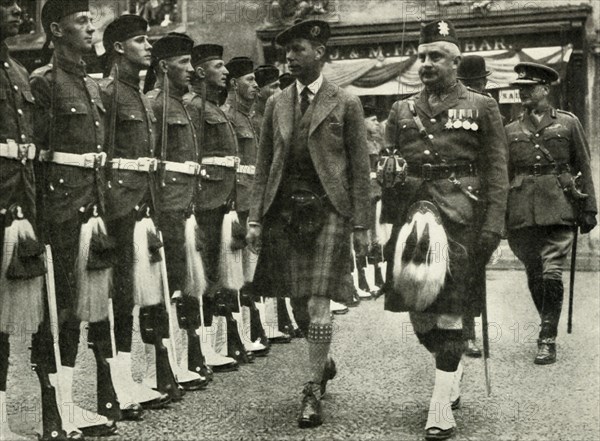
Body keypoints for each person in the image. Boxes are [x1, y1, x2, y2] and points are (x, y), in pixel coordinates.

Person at [381, 20, 508, 440]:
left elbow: (496, 173)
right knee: (419, 314)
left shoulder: (482, 106)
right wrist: (387, 173)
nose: (426, 64)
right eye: (422, 56)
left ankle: (440, 405)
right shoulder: (401, 110)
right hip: (412, 218)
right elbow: (387, 164)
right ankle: (450, 366)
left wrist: (493, 226)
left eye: (436, 56)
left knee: (451, 310)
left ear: (455, 62)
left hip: (460, 217)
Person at [247, 19, 370, 428]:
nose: (290, 57)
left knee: (319, 301)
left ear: (319, 52)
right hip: (285, 211)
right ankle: (324, 360)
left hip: (329, 210)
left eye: (298, 49)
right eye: (287, 51)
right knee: (298, 302)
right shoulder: (275, 103)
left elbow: (359, 169)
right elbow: (263, 165)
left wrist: (362, 225)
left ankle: (312, 389)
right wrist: (254, 219)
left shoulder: (346, 102)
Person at [30, 0, 122, 437]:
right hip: (60, 211)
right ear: (56, 30)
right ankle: (55, 411)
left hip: (91, 205)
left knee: (85, 306)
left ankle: (71, 404)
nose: (91, 28)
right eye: (81, 22)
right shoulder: (44, 84)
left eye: (90, 20)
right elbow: (38, 158)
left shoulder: (89, 84)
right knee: (59, 309)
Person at [98, 14, 172, 415]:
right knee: (117, 294)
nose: (148, 46)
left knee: (132, 293)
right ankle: (114, 383)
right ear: (118, 48)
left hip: (142, 202)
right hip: (117, 204)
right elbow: (104, 154)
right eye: (140, 40)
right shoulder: (108, 92)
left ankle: (128, 377)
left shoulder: (141, 97)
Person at [0, 1, 65, 439]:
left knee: (6, 321)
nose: (20, 9)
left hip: (20, 204)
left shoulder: (19, 73)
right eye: (7, 3)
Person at [505, 62, 597, 365]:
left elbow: (583, 165)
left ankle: (547, 338)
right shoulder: (510, 130)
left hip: (559, 207)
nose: (523, 93)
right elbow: (503, 174)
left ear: (546, 89)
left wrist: (590, 208)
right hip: (521, 212)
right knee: (534, 274)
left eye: (529, 88)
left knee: (551, 271)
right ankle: (548, 320)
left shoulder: (568, 124)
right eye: (520, 88)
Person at [144, 32, 209, 396]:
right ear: (163, 66)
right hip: (165, 204)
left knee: (184, 282)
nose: (189, 69)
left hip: (186, 203)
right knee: (164, 285)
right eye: (182, 63)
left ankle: (184, 357)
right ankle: (160, 362)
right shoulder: (154, 103)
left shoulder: (182, 104)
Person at [184, 44, 252, 368]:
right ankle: (197, 350)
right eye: (218, 66)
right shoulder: (193, 108)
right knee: (203, 275)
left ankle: (211, 345)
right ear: (200, 72)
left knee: (215, 273)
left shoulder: (217, 110)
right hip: (205, 200)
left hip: (223, 199)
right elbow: (191, 157)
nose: (225, 73)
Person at [456, 54, 493, 358]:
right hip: (455, 195)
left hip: (479, 200)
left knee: (473, 268)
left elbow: (497, 159)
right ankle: (461, 329)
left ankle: (469, 328)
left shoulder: (488, 107)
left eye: (476, 83)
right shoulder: (453, 105)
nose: (476, 89)